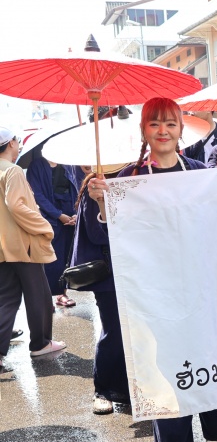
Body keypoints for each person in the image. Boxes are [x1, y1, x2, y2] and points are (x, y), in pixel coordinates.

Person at [87, 98, 217, 442]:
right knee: (165, 365)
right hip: (154, 292)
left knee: (209, 355)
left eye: (170, 123)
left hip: (201, 286)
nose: (163, 131)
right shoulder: (128, 179)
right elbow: (108, 234)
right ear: (144, 130)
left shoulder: (200, 173)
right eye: (154, 123)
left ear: (181, 130)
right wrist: (104, 203)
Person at [0, 127, 67, 368]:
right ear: (11, 143)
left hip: (3, 244)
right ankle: (40, 343)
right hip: (21, 242)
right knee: (38, 293)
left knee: (7, 297)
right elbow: (16, 205)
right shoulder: (13, 170)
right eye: (17, 141)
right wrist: (43, 226)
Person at [70, 166, 129, 415]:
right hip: (109, 274)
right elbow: (96, 234)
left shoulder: (135, 177)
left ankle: (129, 389)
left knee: (137, 333)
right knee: (114, 331)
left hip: (137, 271)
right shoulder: (95, 185)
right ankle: (102, 391)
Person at [24, 151, 81, 307]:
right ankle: (46, 296)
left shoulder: (68, 163)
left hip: (70, 213)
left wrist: (76, 213)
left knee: (67, 257)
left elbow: (77, 187)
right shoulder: (36, 165)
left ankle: (62, 293)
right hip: (50, 216)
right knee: (51, 258)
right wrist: (58, 215)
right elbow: (37, 194)